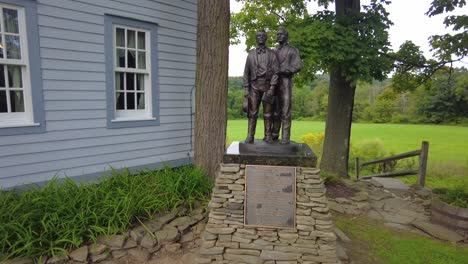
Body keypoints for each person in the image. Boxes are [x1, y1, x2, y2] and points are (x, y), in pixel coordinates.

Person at [242, 29, 279, 144]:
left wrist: (272, 87)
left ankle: (267, 135)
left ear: (266, 38)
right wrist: (246, 90)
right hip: (254, 86)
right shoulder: (251, 54)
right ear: (256, 38)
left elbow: (276, 72)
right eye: (259, 36)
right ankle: (250, 135)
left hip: (267, 86)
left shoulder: (272, 54)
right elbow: (246, 73)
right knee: (252, 112)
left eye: (263, 36)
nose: (261, 37)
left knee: (268, 113)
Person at [272, 29, 302, 144]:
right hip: (274, 82)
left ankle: (285, 137)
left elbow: (298, 66)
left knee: (286, 110)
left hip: (285, 81)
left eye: (282, 34)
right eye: (278, 34)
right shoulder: (273, 51)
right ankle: (274, 134)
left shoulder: (292, 50)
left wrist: (286, 70)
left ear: (286, 36)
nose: (279, 36)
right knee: (275, 110)